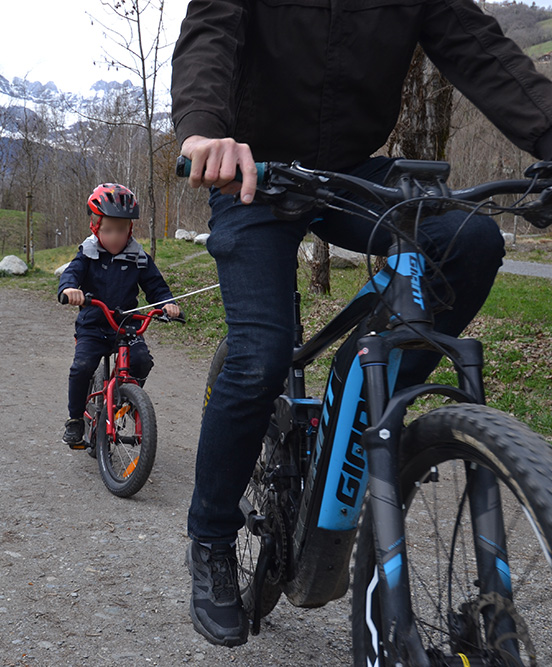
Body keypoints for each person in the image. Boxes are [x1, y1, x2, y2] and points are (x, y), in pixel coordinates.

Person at [171, 0, 552, 649]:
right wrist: (204, 128)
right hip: (251, 172)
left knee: (471, 241)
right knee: (261, 353)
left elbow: (481, 51)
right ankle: (209, 538)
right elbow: (211, 31)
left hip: (354, 171)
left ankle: (364, 407)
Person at [58, 183, 181, 448]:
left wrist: (168, 303)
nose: (115, 237)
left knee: (142, 361)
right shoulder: (87, 254)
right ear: (95, 228)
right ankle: (75, 419)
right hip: (93, 325)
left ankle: (126, 399)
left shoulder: (138, 258)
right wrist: (69, 289)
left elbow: (156, 287)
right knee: (81, 368)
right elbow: (72, 274)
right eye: (108, 230)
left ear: (130, 230)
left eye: (122, 230)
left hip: (126, 327)